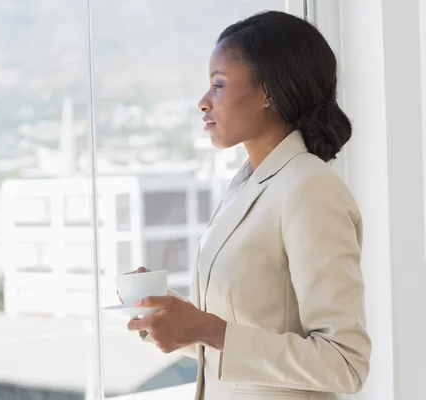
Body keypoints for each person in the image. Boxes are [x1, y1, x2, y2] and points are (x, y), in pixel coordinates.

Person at [125, 10, 371, 400]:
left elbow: (345, 364)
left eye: (218, 85)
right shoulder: (248, 184)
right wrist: (177, 320)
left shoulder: (309, 189)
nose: (203, 103)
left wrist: (206, 328)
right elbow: (244, 346)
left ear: (268, 92)